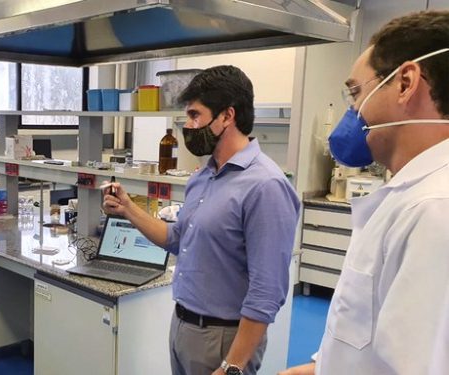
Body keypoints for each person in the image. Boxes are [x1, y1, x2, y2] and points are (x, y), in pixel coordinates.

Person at [279, 10, 449, 375]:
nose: (353, 109)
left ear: (406, 82)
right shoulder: (410, 193)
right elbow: (374, 342)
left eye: (356, 91)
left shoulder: (436, 210)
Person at [103, 65, 300, 375]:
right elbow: (177, 239)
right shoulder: (203, 176)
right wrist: (128, 208)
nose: (188, 126)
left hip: (224, 338)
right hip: (183, 325)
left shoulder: (266, 186)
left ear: (227, 116)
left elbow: (267, 291)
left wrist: (232, 367)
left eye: (195, 115)